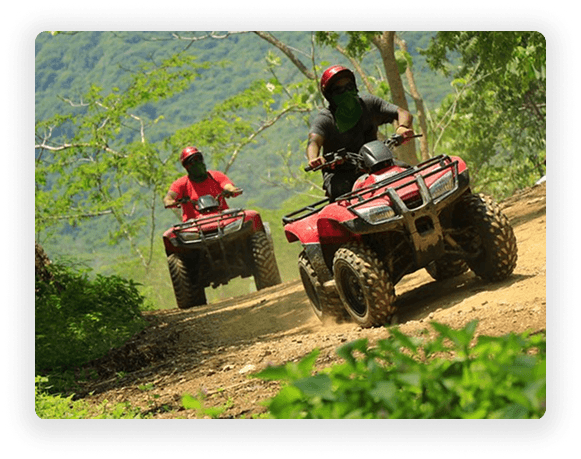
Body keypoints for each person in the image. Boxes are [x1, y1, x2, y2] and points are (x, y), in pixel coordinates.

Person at [307, 65, 415, 200]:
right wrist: (314, 158)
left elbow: (402, 113)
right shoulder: (326, 119)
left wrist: (402, 128)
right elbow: (314, 141)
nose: (346, 92)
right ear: (329, 95)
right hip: (342, 173)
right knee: (342, 194)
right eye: (339, 90)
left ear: (355, 87)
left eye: (349, 87)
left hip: (376, 163)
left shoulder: (369, 104)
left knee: (409, 174)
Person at [163, 146, 242, 222]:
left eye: (199, 159)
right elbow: (169, 198)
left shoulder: (216, 176)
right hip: (194, 225)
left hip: (222, 218)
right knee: (171, 235)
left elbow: (227, 186)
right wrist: (172, 202)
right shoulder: (181, 184)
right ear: (186, 167)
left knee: (250, 216)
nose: (198, 163)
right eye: (193, 161)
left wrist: (232, 190)